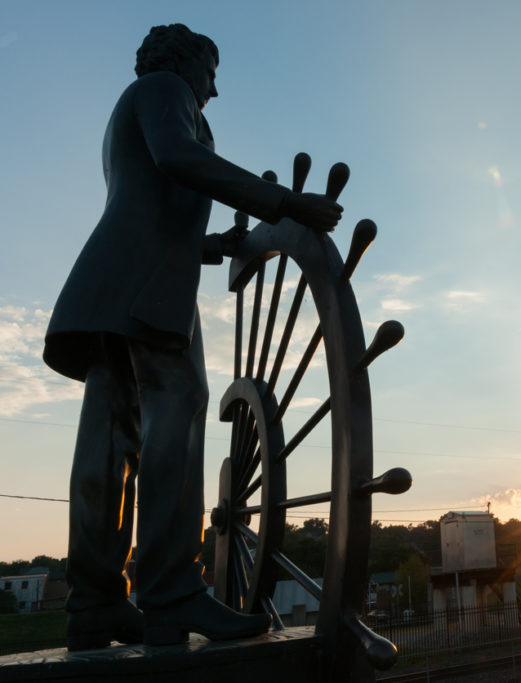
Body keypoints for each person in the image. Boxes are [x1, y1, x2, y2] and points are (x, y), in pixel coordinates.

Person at [42, 24, 342, 650]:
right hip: (150, 291)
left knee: (109, 439)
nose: (215, 85)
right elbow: (179, 157)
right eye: (211, 67)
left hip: (113, 281)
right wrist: (282, 204)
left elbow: (148, 204)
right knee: (175, 417)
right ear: (182, 61)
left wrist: (215, 246)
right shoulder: (163, 88)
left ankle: (95, 604)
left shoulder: (134, 104)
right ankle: (172, 591)